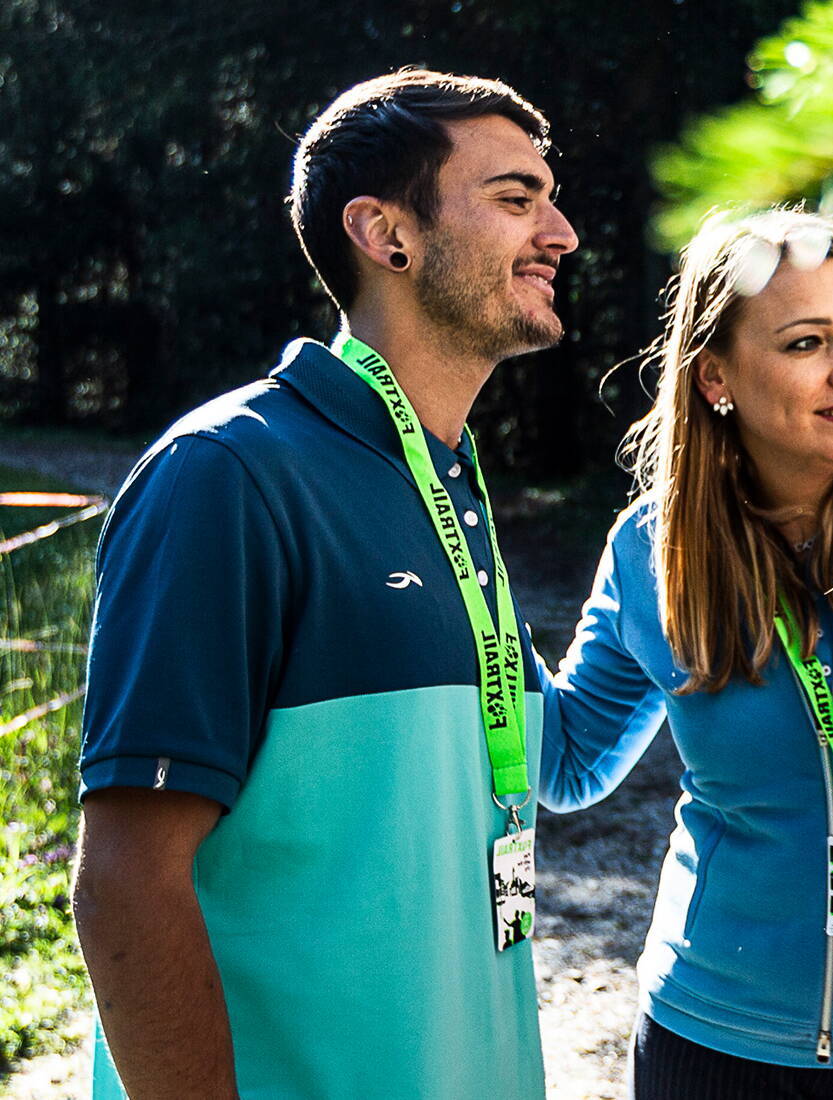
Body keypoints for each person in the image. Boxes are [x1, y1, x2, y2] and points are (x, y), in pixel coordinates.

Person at [72, 69, 577, 1098]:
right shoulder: (227, 472)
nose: (561, 232)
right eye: (517, 199)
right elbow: (125, 878)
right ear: (386, 234)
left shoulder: (452, 475)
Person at [537, 208, 833, 1098]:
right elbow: (566, 761)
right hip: (710, 1043)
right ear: (716, 376)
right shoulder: (656, 551)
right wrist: (467, 594)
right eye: (806, 343)